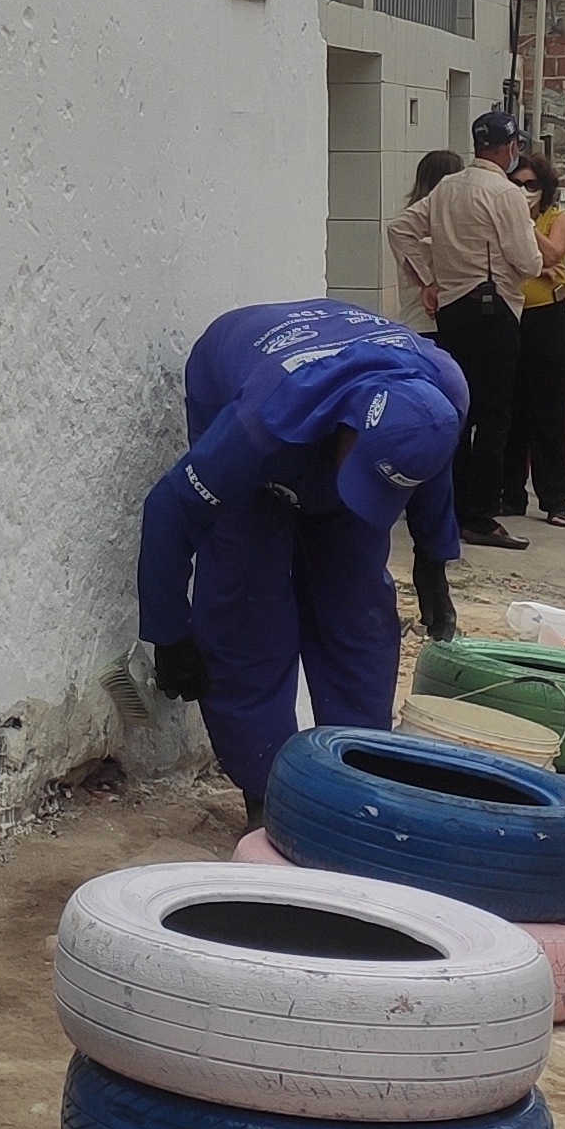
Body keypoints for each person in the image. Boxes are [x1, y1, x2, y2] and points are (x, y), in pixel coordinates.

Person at [139, 299, 468, 810]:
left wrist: (433, 557)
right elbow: (171, 507)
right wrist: (168, 631)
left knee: (357, 607)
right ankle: (265, 794)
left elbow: (429, 464)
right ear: (352, 430)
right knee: (246, 604)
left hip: (346, 394)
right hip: (245, 378)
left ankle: (355, 776)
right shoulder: (261, 420)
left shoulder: (443, 392)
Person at [386, 111, 545, 553]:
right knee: (493, 418)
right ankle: (479, 515)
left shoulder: (447, 187)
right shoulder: (506, 193)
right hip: (493, 310)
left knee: (456, 413)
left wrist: (427, 280)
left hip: (452, 311)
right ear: (508, 146)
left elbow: (400, 228)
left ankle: (446, 507)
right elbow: (529, 262)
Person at [509, 160, 565, 528]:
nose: (524, 190)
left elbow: (554, 254)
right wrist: (535, 266)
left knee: (549, 408)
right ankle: (510, 493)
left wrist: (525, 224)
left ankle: (555, 499)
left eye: (531, 183)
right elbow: (505, 261)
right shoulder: (502, 217)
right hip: (510, 315)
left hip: (547, 317)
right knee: (510, 407)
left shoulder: (557, 218)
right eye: (516, 183)